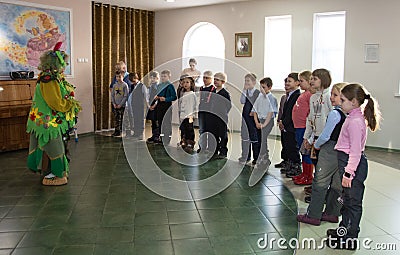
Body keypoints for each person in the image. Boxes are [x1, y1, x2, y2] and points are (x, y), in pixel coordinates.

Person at [327, 83, 381, 250]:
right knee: (347, 201)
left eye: (342, 100)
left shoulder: (356, 121)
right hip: (347, 162)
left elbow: (356, 152)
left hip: (353, 165)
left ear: (354, 102)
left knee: (352, 203)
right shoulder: (352, 117)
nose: (339, 103)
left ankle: (350, 238)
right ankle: (343, 231)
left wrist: (348, 174)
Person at [26, 42, 81, 186]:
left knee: (57, 146)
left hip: (51, 121)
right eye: (63, 64)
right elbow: (56, 102)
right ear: (55, 64)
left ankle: (58, 172)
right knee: (53, 146)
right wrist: (70, 105)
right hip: (47, 122)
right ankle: (58, 174)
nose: (64, 67)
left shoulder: (53, 78)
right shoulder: (48, 80)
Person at [297, 82, 347, 226]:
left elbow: (325, 135)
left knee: (320, 183)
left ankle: (313, 215)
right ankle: (332, 212)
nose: (331, 98)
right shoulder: (348, 114)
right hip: (342, 152)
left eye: (335, 95)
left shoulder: (335, 113)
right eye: (331, 94)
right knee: (337, 185)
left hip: (330, 150)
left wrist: (316, 145)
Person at [302, 69, 333, 179]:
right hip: (315, 136)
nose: (311, 81)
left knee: (324, 165)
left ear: (323, 80)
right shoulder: (313, 97)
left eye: (315, 79)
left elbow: (332, 119)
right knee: (315, 161)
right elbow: (310, 118)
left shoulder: (329, 97)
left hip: (326, 137)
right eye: (311, 78)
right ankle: (316, 185)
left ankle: (322, 187)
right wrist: (307, 137)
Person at [291, 70, 315, 185]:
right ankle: (304, 174)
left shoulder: (310, 95)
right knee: (302, 151)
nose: (299, 83)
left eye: (301, 81)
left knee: (306, 152)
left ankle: (308, 176)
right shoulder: (304, 94)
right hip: (298, 127)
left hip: (304, 127)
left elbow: (310, 111)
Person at [251, 77, 277, 166]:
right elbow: (254, 110)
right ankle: (261, 157)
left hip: (267, 121)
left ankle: (265, 158)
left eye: (264, 87)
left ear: (269, 88)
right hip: (259, 120)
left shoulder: (272, 98)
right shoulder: (259, 96)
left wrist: (264, 124)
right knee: (259, 139)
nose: (261, 89)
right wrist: (257, 122)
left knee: (263, 140)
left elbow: (271, 112)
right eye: (260, 87)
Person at [279, 73, 301, 177]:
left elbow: (292, 112)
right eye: (286, 81)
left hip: (291, 126)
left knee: (293, 148)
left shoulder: (297, 95)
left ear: (297, 83)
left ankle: (295, 167)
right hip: (286, 126)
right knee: (287, 146)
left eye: (290, 81)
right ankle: (289, 164)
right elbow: (285, 111)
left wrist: (284, 122)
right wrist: (281, 121)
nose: (287, 83)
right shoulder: (289, 95)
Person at [150, 69, 177, 144]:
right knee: (160, 122)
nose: (163, 78)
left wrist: (166, 99)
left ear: (169, 77)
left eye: (165, 76)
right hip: (159, 106)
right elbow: (158, 95)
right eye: (162, 76)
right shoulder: (159, 85)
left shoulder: (170, 86)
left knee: (167, 123)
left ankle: (167, 139)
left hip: (167, 106)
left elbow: (174, 97)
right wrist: (156, 98)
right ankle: (161, 138)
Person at [238, 73, 260, 165]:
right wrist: (244, 90)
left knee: (254, 137)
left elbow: (258, 105)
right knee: (245, 137)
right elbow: (242, 101)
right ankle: (246, 156)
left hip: (253, 119)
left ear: (254, 82)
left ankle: (256, 157)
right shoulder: (245, 92)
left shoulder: (257, 93)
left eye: (248, 81)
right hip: (245, 118)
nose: (246, 83)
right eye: (245, 81)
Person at [212, 72, 231, 159]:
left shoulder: (225, 93)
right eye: (214, 79)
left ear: (223, 82)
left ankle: (223, 151)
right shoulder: (213, 91)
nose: (215, 81)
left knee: (222, 135)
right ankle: (215, 150)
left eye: (217, 80)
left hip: (222, 117)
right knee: (214, 134)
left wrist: (222, 112)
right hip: (213, 117)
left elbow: (228, 105)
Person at [197, 70, 216, 153]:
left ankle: (211, 148)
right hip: (201, 110)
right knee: (202, 130)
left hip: (210, 112)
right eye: (204, 77)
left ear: (211, 79)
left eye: (207, 78)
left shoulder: (213, 89)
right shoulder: (201, 88)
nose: (205, 79)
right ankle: (202, 146)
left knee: (210, 130)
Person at [177, 74, 197, 152]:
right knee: (183, 129)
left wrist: (192, 115)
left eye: (187, 82)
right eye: (184, 82)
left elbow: (193, 106)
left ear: (191, 84)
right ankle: (183, 142)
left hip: (190, 116)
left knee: (189, 129)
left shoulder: (192, 94)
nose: (185, 84)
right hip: (183, 115)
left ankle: (190, 143)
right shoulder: (183, 93)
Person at [127, 72, 149, 140]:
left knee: (140, 119)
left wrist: (148, 105)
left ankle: (140, 134)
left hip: (140, 106)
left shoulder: (142, 86)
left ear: (135, 78)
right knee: (135, 119)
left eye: (132, 80)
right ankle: (136, 133)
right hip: (134, 105)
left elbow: (146, 96)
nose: (131, 82)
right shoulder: (132, 86)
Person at [274, 78, 289, 169]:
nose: (286, 86)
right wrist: (279, 120)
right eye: (285, 84)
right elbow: (281, 110)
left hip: (287, 124)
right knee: (283, 143)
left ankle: (289, 162)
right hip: (282, 123)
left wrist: (284, 122)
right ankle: (284, 160)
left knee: (289, 144)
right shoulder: (283, 97)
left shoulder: (295, 97)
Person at [111, 71, 129, 137]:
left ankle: (127, 132)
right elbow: (112, 95)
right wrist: (114, 103)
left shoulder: (125, 85)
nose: (118, 78)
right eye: (117, 77)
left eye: (119, 77)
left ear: (123, 77)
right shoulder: (115, 85)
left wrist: (120, 104)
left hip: (123, 105)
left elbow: (126, 96)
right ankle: (117, 131)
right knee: (117, 118)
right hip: (115, 105)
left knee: (125, 119)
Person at [146, 71, 160, 143]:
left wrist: (154, 105)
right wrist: (149, 105)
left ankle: (157, 136)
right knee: (153, 121)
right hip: (150, 106)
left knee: (156, 121)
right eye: (151, 78)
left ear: (157, 78)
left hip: (156, 106)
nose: (152, 79)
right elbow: (147, 96)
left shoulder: (158, 87)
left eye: (154, 78)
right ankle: (153, 135)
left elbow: (158, 97)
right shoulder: (149, 87)